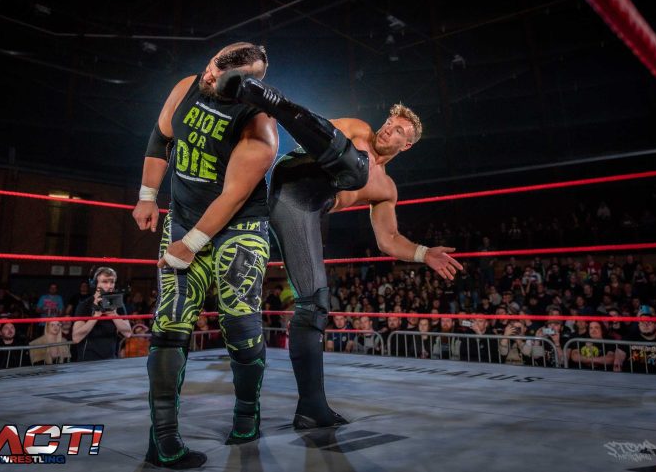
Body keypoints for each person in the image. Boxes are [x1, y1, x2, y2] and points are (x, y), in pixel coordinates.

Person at [216, 71, 463, 428]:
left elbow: (388, 239)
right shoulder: (358, 130)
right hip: (294, 174)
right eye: (389, 123)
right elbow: (314, 135)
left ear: (406, 145)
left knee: (315, 304)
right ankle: (272, 101)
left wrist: (424, 253)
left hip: (301, 210)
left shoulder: (386, 189)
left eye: (398, 131)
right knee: (357, 166)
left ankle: (311, 408)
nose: (388, 130)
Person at [131, 42, 277, 467]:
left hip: (240, 226)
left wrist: (190, 244)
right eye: (210, 67)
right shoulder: (187, 86)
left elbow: (233, 197)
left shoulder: (259, 127)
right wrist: (147, 196)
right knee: (170, 319)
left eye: (220, 76)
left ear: (245, 83)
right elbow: (161, 136)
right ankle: (162, 439)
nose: (209, 78)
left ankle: (247, 415)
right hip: (183, 215)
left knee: (240, 320)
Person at [72, 267, 132, 361]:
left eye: (112, 282)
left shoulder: (117, 304)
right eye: (105, 282)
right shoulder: (85, 305)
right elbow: (76, 338)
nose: (109, 286)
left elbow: (128, 333)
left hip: (110, 360)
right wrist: (96, 316)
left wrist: (113, 315)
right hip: (87, 360)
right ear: (95, 284)